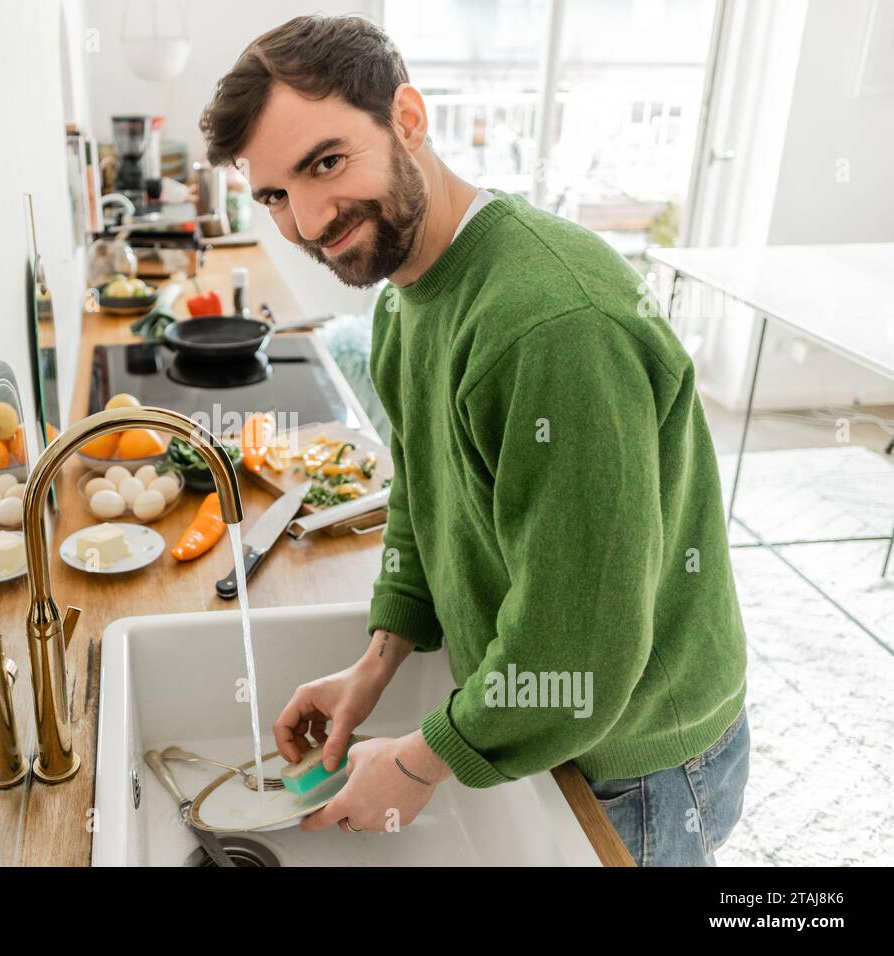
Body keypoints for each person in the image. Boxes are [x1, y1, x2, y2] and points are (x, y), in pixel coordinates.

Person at [198, 14, 750, 866]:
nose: (307, 219)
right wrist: (377, 662)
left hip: (639, 759)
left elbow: (581, 652)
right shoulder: (402, 301)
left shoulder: (551, 327)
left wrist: (419, 763)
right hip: (548, 721)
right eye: (273, 194)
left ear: (408, 120)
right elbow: (424, 496)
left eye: (326, 161)